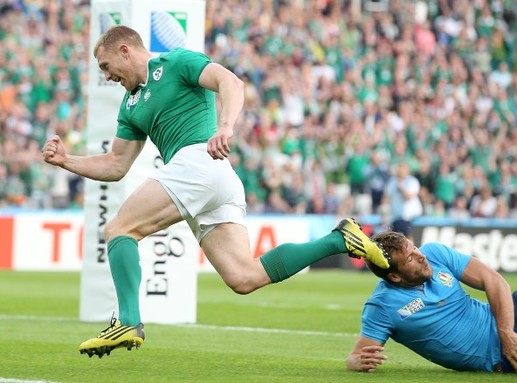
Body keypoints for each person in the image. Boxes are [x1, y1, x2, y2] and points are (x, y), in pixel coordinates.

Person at [41, 25, 389, 358]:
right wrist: (66, 160)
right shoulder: (130, 106)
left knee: (118, 229)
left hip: (199, 161)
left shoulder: (175, 62)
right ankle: (339, 240)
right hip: (213, 177)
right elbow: (116, 165)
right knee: (243, 277)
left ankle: (128, 322)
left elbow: (230, 82)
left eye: (106, 66)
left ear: (125, 50)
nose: (107, 76)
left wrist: (225, 126)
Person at [346, 231, 517, 375]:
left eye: (414, 247)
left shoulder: (435, 253)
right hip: (499, 355)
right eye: (410, 258)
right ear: (395, 277)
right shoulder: (382, 306)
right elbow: (355, 356)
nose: (421, 256)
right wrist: (357, 362)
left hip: (511, 316)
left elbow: (493, 280)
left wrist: (506, 333)